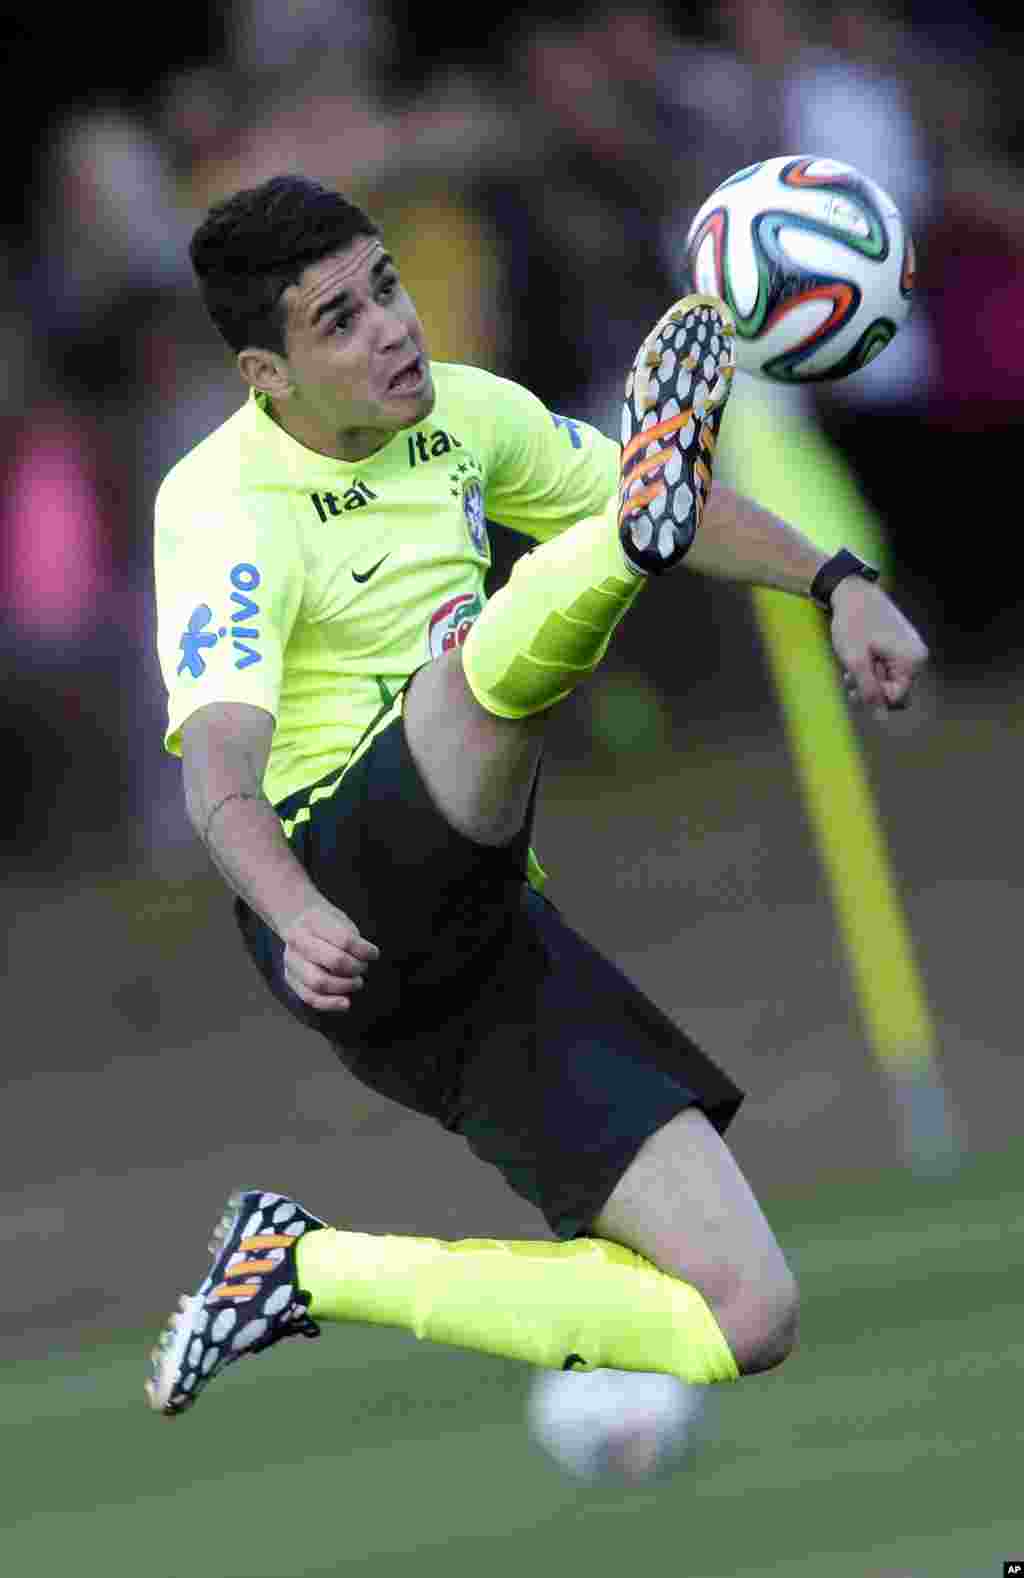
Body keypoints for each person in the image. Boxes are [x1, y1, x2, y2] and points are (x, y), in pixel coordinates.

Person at [146, 174, 927, 1417]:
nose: (393, 328)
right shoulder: (217, 506)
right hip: (334, 882)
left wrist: (835, 578)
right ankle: (618, 553)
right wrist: (293, 914)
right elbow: (219, 781)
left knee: (748, 1313)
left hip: (483, 933)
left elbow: (683, 502)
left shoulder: (466, 414)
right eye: (338, 320)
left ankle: (296, 1267)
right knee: (473, 679)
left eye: (388, 289)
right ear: (267, 375)